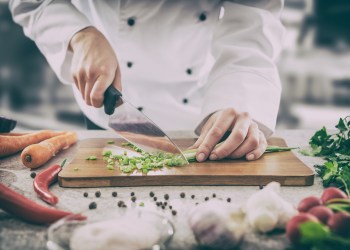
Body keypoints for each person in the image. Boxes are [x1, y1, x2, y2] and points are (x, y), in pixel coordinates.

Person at [9, 0, 285, 163]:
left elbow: (255, 19)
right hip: (110, 105)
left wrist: (238, 100)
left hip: (207, 114)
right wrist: (79, 35)